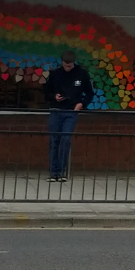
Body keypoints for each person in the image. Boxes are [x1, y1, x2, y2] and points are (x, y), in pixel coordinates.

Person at [43, 50, 92, 183]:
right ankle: (54, 172)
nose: (67, 68)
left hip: (71, 111)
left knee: (66, 139)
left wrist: (81, 104)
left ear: (74, 63)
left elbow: (89, 93)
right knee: (54, 140)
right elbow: (46, 91)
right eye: (65, 65)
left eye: (70, 66)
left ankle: (62, 171)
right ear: (62, 62)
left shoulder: (82, 74)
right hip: (56, 110)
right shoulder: (55, 74)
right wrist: (54, 96)